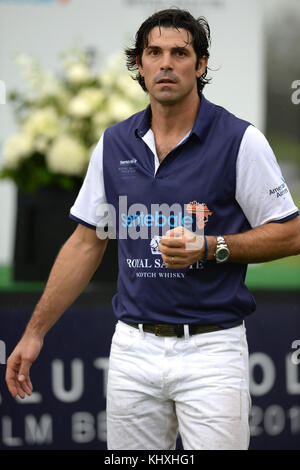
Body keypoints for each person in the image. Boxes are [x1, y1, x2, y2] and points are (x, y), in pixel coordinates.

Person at [6, 8, 300, 450]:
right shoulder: (113, 142)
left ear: (200, 65)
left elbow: (290, 233)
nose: (166, 63)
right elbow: (86, 242)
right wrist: (33, 333)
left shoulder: (240, 139)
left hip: (212, 348)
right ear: (139, 66)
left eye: (180, 52)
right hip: (132, 348)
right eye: (154, 52)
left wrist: (211, 246)